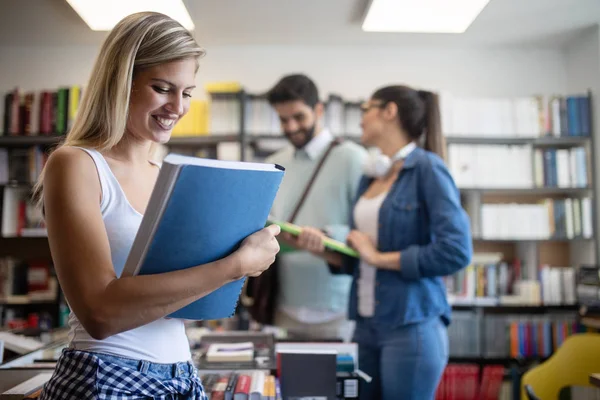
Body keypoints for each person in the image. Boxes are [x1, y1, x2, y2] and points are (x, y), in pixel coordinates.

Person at [34, 12, 280, 399]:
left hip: (181, 372)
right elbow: (100, 313)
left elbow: (180, 293)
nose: (177, 107)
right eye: (162, 88)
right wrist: (234, 266)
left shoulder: (169, 175)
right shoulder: (77, 164)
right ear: (121, 83)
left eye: (186, 93)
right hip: (107, 374)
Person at [292, 85, 472, 399]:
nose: (360, 119)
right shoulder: (372, 175)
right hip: (366, 323)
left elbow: (456, 251)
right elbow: (360, 255)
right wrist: (322, 249)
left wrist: (378, 258)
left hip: (411, 324)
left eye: (366, 109)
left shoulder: (427, 169)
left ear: (389, 111)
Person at [263, 74, 367, 341]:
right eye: (283, 119)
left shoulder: (354, 159)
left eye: (299, 117)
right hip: (284, 302)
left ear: (319, 110)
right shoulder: (275, 162)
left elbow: (368, 229)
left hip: (336, 306)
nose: (291, 127)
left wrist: (328, 236)